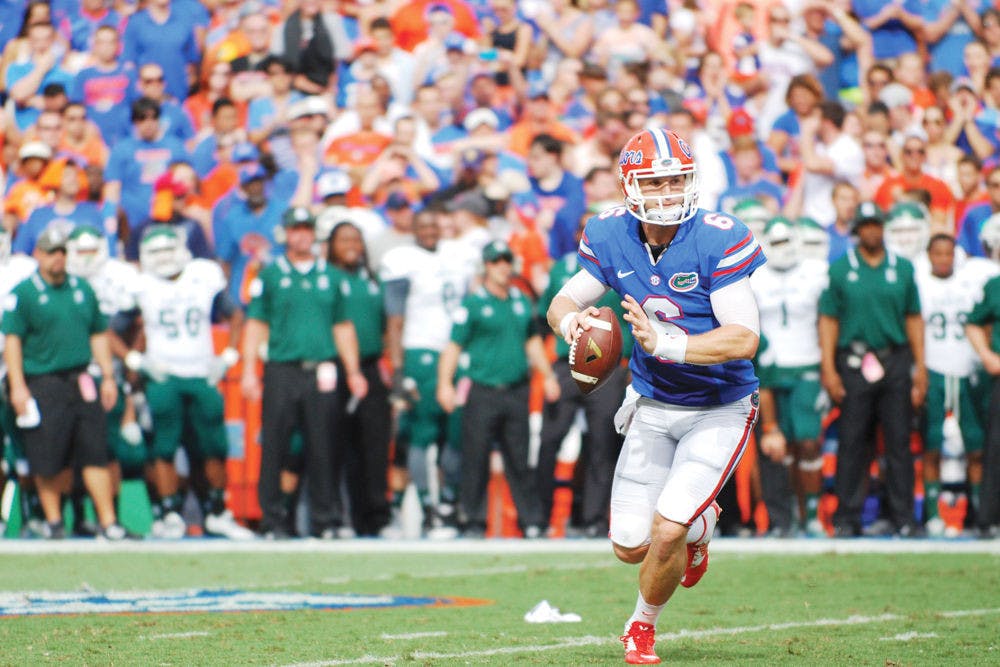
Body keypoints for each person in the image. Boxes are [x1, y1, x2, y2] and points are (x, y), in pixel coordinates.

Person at [545, 128, 764, 664]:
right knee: (629, 546)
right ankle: (702, 525)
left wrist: (668, 343)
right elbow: (561, 302)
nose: (667, 193)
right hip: (652, 403)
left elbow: (744, 337)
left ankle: (641, 626)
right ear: (629, 185)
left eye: (676, 180)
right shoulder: (610, 232)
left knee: (667, 531)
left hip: (719, 406)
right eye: (655, 182)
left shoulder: (717, 237)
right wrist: (573, 324)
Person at [116, 225, 254, 540]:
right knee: (164, 448)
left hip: (202, 373)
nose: (164, 257)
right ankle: (169, 513)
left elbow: (235, 315)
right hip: (163, 375)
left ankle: (216, 511)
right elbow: (110, 330)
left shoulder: (203, 276)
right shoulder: (141, 285)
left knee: (213, 447)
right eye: (156, 252)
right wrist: (135, 360)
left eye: (169, 249)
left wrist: (229, 356)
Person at [240, 207, 368, 539]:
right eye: (295, 229)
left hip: (321, 368)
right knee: (275, 445)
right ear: (286, 234)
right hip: (282, 368)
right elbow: (256, 324)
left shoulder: (331, 277)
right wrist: (249, 370)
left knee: (323, 444)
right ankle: (273, 520)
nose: (301, 236)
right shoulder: (271, 275)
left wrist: (353, 371)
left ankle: (324, 520)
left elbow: (343, 327)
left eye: (306, 229)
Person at [1, 222, 133, 540]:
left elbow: (98, 333)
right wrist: (18, 387)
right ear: (38, 254)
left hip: (81, 377)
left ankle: (108, 521)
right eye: (51, 252)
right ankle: (54, 522)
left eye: (61, 251)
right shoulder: (24, 293)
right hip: (42, 380)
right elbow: (13, 342)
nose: (57, 258)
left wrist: (108, 376)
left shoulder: (82, 289)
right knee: (48, 455)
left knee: (95, 450)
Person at [438, 240, 560, 539]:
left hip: (516, 389)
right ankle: (474, 520)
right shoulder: (473, 304)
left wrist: (548, 376)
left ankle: (530, 521)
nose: (503, 266)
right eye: (496, 261)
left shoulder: (521, 301)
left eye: (506, 260)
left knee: (519, 458)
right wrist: (444, 383)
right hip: (483, 389)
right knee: (476, 457)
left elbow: (532, 341)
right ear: (486, 266)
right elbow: (453, 346)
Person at [818, 202, 927, 538]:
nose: (871, 231)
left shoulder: (903, 267)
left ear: (883, 227)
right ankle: (847, 518)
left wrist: (921, 367)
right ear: (857, 230)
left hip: (894, 359)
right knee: (853, 442)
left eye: (876, 224)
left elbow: (913, 318)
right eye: (865, 225)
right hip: (854, 361)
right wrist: (829, 369)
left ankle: (903, 518)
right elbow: (828, 320)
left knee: (898, 442)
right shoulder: (841, 268)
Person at [380, 210, 477, 535]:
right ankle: (428, 507)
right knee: (422, 431)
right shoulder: (403, 259)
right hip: (421, 350)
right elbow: (395, 320)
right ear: (413, 229)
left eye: (433, 224)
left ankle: (448, 503)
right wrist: (398, 368)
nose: (429, 231)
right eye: (422, 225)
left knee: (455, 431)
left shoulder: (458, 255)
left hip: (456, 352)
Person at [750, 217, 829, 537]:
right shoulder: (755, 277)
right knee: (775, 451)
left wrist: (828, 367)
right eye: (777, 242)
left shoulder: (816, 273)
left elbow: (827, 322)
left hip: (807, 364)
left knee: (807, 443)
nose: (783, 249)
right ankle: (783, 518)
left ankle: (811, 512)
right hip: (768, 369)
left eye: (787, 241)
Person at [918, 232, 998, 536]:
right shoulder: (920, 283)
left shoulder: (972, 282)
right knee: (932, 447)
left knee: (976, 447)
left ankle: (978, 513)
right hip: (935, 369)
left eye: (948, 253)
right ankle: (932, 514)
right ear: (928, 255)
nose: (943, 259)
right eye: (938, 253)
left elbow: (983, 320)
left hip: (968, 372)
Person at [326, 221, 391, 537]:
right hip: (334, 367)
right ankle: (336, 517)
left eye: (356, 239)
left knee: (375, 444)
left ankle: (375, 517)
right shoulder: (326, 277)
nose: (352, 245)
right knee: (334, 444)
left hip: (370, 365)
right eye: (344, 239)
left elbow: (385, 324)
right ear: (332, 245)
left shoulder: (371, 279)